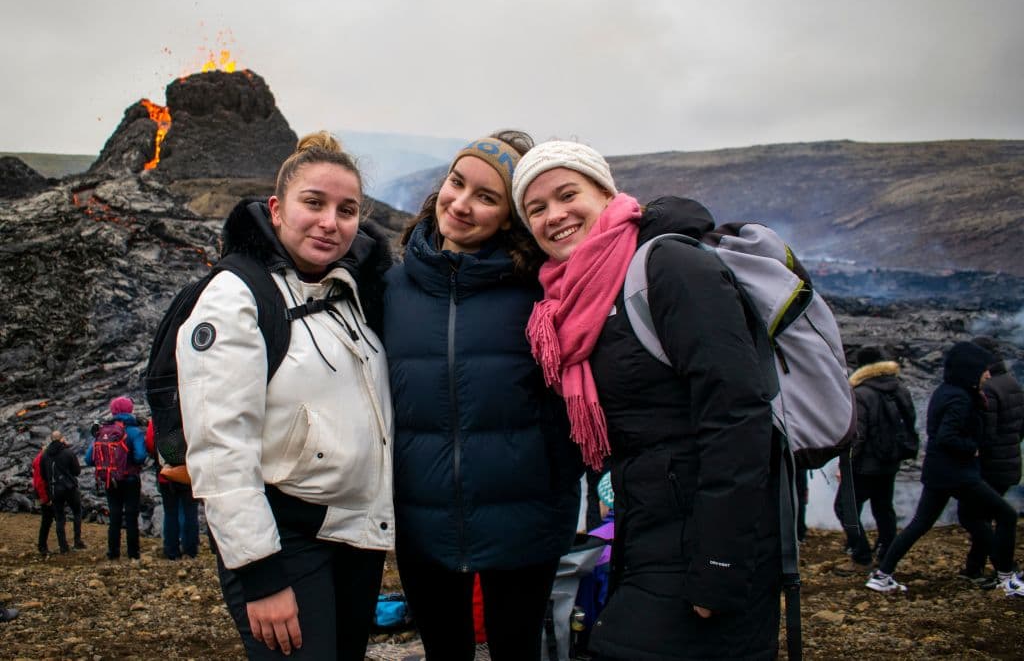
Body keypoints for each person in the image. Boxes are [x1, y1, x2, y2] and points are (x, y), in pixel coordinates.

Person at [512, 140, 781, 660]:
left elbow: (737, 414)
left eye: (567, 195)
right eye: (536, 209)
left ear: (606, 193)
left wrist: (720, 563)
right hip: (645, 535)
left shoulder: (667, 266)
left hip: (707, 543)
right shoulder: (571, 297)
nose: (554, 216)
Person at [177, 131, 395, 660]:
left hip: (354, 537)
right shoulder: (236, 297)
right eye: (313, 203)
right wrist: (259, 575)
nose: (330, 222)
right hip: (285, 542)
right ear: (276, 209)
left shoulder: (349, 292)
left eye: (346, 210)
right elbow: (220, 445)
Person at [382, 131, 582, 661]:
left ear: (510, 218)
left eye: (487, 197)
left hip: (526, 523)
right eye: (457, 182)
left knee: (517, 651)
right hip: (423, 522)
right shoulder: (392, 289)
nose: (461, 204)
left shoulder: (542, 292)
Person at [866, 341, 1023, 596]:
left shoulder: (947, 391)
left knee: (921, 523)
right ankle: (1007, 578)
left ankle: (882, 575)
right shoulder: (960, 398)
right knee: (1006, 515)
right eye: (983, 370)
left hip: (939, 472)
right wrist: (973, 448)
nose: (987, 374)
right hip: (958, 474)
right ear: (970, 370)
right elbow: (946, 436)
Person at [956, 336, 1024, 584]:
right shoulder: (1011, 383)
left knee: (970, 516)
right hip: (1009, 463)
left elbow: (986, 433)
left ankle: (1003, 566)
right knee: (984, 516)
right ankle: (975, 568)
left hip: (990, 466)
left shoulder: (989, 389)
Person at [843, 345, 917, 566]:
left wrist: (847, 462)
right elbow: (910, 422)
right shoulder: (900, 388)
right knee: (883, 507)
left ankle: (861, 552)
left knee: (845, 507)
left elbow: (858, 434)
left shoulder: (861, 393)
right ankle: (888, 550)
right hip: (890, 461)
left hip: (865, 465)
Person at [86, 396, 147, 560]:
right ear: (130, 410)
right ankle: (133, 553)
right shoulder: (134, 431)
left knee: (114, 515)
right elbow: (140, 456)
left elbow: (88, 459)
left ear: (113, 411)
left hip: (110, 478)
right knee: (131, 516)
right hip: (130, 478)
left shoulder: (103, 431)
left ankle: (113, 552)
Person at [145, 419, 199, 559]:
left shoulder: (157, 417)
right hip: (189, 472)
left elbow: (150, 444)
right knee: (190, 512)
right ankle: (190, 549)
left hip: (166, 474)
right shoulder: (189, 413)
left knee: (170, 512)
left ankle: (171, 550)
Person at [41, 430, 86, 554]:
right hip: (69, 488)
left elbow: (43, 474)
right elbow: (77, 471)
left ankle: (63, 546)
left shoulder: (45, 455)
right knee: (77, 511)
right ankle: (77, 541)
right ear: (62, 439)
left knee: (59, 517)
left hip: (54, 490)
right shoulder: (68, 452)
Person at [32, 442, 55, 555]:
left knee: (47, 519)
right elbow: (40, 482)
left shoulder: (39, 458)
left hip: (39, 492)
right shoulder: (42, 459)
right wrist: (46, 498)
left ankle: (42, 545)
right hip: (42, 493)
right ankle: (42, 546)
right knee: (46, 519)